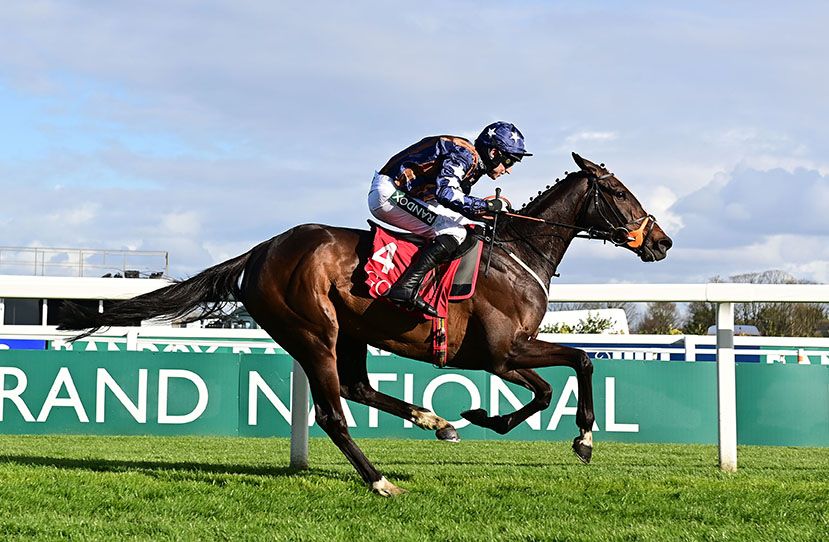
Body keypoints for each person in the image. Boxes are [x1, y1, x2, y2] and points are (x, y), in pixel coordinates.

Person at [368, 121, 532, 317]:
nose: (509, 170)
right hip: (390, 194)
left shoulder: (474, 164)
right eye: (509, 162)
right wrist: (486, 205)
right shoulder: (465, 155)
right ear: (494, 153)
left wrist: (486, 214)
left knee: (467, 226)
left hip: (409, 194)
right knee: (453, 231)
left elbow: (457, 204)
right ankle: (405, 287)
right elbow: (446, 193)